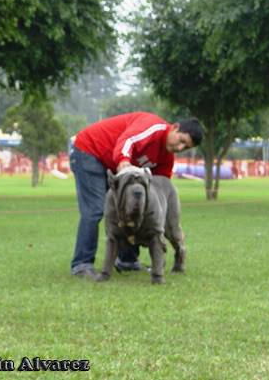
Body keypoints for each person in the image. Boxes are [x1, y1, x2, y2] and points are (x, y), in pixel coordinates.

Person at [69, 112, 203, 280]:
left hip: (111, 162)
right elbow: (127, 141)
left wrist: (170, 223)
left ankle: (128, 261)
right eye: (181, 140)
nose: (180, 148)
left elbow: (157, 190)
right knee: (95, 209)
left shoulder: (166, 158)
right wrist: (124, 161)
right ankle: (82, 265)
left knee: (131, 206)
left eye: (186, 147)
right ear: (175, 127)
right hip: (90, 151)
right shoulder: (154, 127)